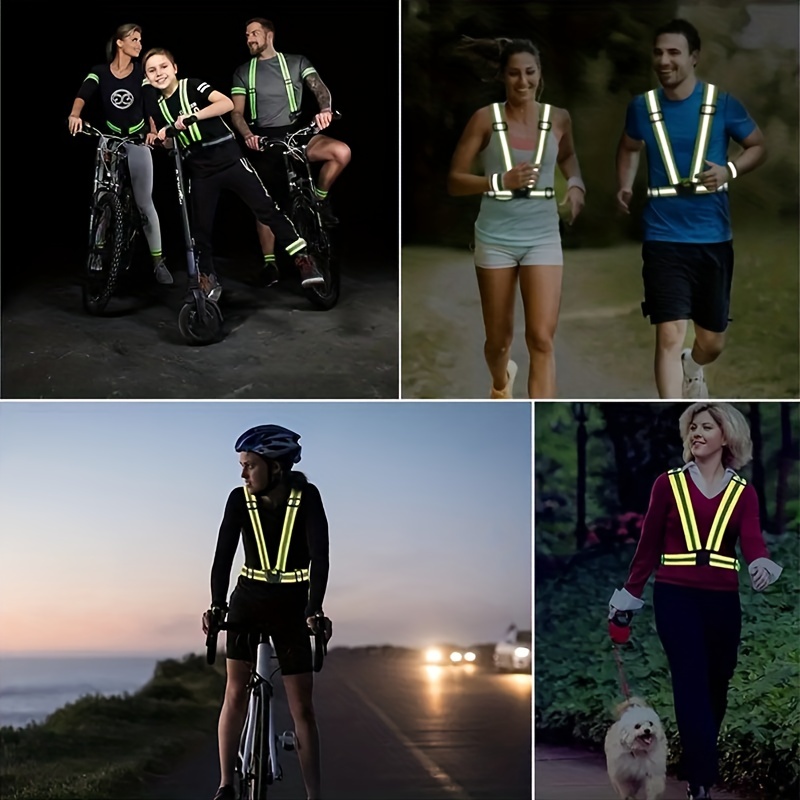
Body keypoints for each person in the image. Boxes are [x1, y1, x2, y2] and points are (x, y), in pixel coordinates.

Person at [608, 402, 783, 800]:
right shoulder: (667, 484)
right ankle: (701, 779)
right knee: (690, 683)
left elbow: (753, 542)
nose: (696, 434)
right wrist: (627, 598)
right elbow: (647, 546)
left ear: (727, 436)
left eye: (706, 427)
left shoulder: (744, 492)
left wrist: (762, 565)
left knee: (716, 685)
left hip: (723, 600)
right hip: (676, 596)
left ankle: (699, 763)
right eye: (693, 428)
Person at [616, 19, 767, 400]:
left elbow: (757, 146)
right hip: (663, 236)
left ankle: (694, 364)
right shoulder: (642, 107)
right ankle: (674, 414)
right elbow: (629, 147)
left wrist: (728, 170)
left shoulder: (722, 104)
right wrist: (624, 184)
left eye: (673, 53)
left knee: (712, 341)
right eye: (658, 52)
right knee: (668, 333)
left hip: (713, 237)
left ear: (694, 57)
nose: (663, 60)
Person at [447, 37, 586, 399]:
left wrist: (575, 185)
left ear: (540, 75)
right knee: (498, 341)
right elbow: (455, 181)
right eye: (514, 74)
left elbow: (569, 157)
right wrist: (499, 181)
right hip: (495, 239)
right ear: (503, 77)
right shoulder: (485, 119)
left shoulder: (559, 118)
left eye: (529, 73)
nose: (522, 82)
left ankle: (531, 416)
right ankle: (499, 383)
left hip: (543, 238)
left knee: (541, 338)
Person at [202, 424, 330, 800]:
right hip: (247, 601)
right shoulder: (237, 499)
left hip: (293, 605)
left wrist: (315, 609)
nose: (243, 473)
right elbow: (223, 556)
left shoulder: (308, 496)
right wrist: (216, 604)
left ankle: (314, 795)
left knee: (302, 709)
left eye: (250, 465)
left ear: (276, 467)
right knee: (235, 692)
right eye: (242, 465)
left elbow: (320, 558)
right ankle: (226, 784)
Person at [142, 47, 324, 298]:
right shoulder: (159, 106)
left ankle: (303, 259)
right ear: (147, 77)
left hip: (230, 161)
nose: (158, 73)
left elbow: (226, 103)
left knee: (266, 209)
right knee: (200, 230)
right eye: (152, 70)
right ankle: (207, 278)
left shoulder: (192, 86)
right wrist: (162, 138)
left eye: (163, 67)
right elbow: (174, 141)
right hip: (201, 171)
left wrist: (192, 116)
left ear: (174, 68)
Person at [230, 17, 351, 286]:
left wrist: (325, 111)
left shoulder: (296, 62)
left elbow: (319, 89)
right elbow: (236, 112)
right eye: (247, 34)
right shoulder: (242, 71)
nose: (249, 38)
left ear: (269, 35)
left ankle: (319, 199)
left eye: (254, 33)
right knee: (265, 204)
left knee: (340, 152)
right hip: (265, 139)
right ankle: (270, 263)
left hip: (297, 133)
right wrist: (248, 135)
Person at [68, 23, 174, 286]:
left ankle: (158, 261)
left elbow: (150, 105)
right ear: (119, 43)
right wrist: (74, 114)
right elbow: (84, 94)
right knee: (102, 195)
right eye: (134, 39)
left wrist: (152, 131)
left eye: (140, 40)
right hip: (110, 139)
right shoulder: (99, 72)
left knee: (144, 202)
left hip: (137, 139)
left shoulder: (141, 73)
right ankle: (97, 251)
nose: (139, 44)